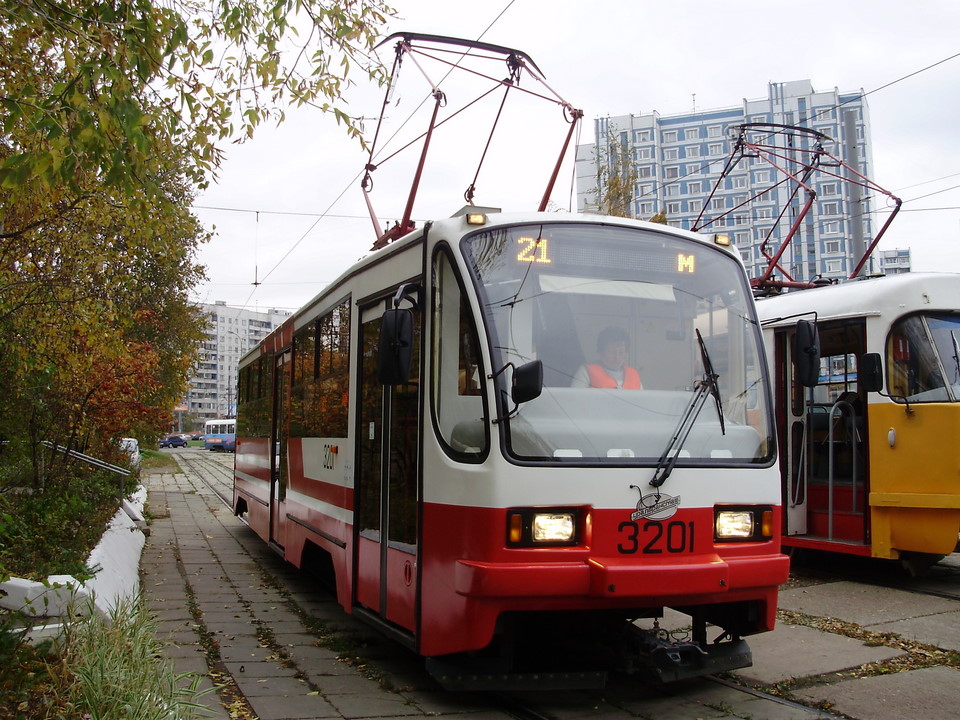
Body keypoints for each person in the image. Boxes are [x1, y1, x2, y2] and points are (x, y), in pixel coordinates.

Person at [571, 326, 643, 389]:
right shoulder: (585, 371)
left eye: (621, 352)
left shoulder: (634, 374)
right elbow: (574, 400)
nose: (617, 357)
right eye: (611, 352)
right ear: (601, 351)